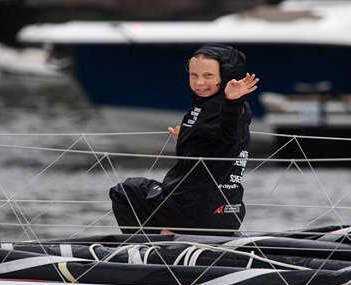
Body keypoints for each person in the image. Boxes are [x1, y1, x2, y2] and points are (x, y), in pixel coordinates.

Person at [109, 43, 259, 235]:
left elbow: (232, 134)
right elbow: (220, 143)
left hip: (192, 210)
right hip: (229, 214)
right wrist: (188, 136)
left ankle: (152, 248)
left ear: (226, 76)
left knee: (125, 191)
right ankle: (166, 239)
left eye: (208, 76)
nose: (199, 83)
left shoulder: (231, 107)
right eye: (194, 75)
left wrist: (233, 101)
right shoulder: (207, 105)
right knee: (142, 191)